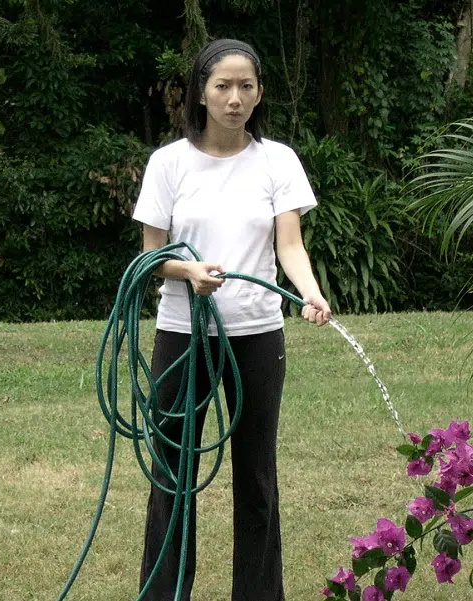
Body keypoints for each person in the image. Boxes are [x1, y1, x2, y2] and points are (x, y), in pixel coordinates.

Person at [132, 38, 332, 601]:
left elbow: (289, 245)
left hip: (257, 334)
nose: (234, 97)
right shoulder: (168, 163)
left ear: (260, 92)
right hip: (182, 332)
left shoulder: (277, 160)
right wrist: (188, 272)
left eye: (246, 86)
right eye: (222, 85)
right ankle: (164, 594)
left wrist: (311, 295)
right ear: (201, 92)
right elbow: (152, 259)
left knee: (257, 476)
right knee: (172, 473)